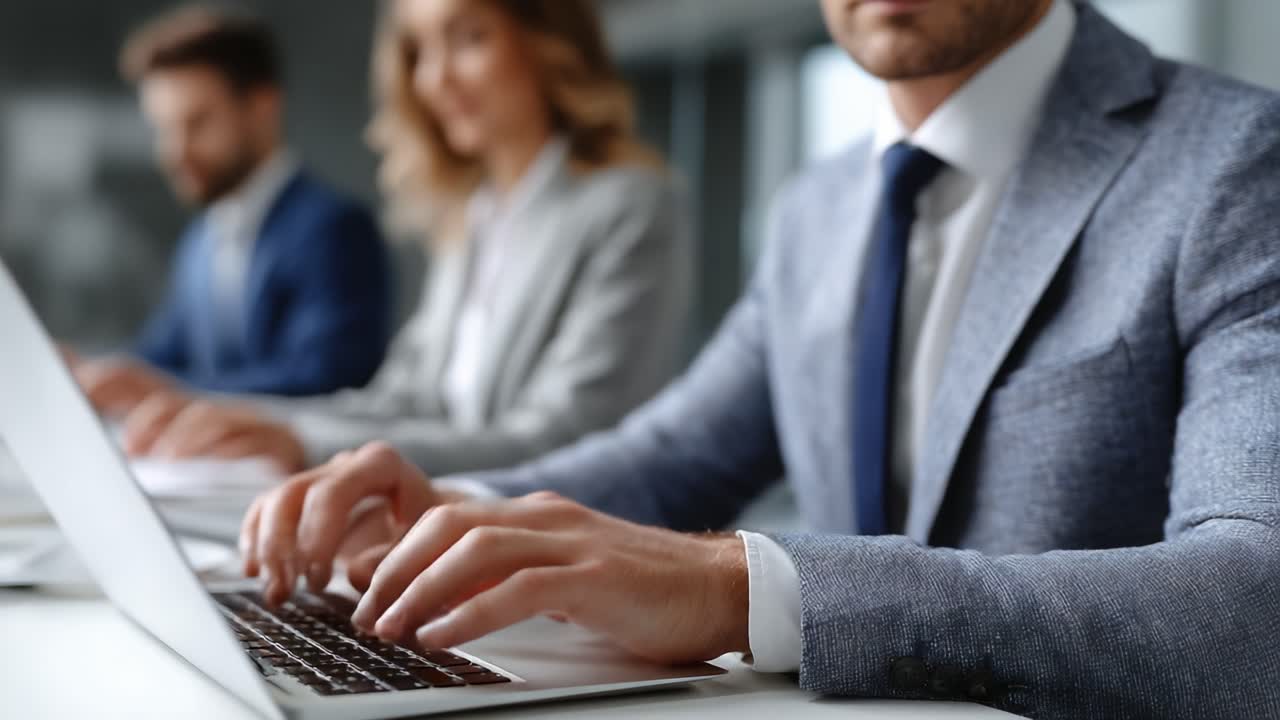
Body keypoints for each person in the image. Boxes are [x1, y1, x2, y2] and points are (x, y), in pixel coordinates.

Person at [238, 0, 1280, 717]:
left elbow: (1253, 604)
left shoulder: (1232, 165)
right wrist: (451, 507)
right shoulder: (815, 208)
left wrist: (754, 587)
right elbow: (670, 457)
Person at [112, 0, 692, 477]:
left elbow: (563, 438)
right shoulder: (475, 216)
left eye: (468, 38)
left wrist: (305, 444)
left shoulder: (630, 208)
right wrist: (238, 420)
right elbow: (405, 399)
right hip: (452, 542)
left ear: (546, 38)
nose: (435, 79)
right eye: (419, 51)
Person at [75, 5, 394, 416]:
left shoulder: (334, 229)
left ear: (261, 107)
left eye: (198, 123)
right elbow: (163, 354)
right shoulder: (202, 241)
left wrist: (166, 392)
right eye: (164, 129)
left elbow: (324, 377)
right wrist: (88, 373)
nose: (175, 152)